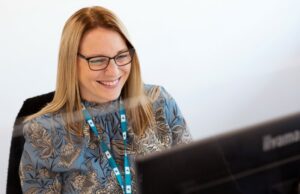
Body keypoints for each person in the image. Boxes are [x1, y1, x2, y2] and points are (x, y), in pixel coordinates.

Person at [19, 6, 192, 194]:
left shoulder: (159, 101)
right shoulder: (43, 132)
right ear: (71, 62)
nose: (114, 71)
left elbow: (194, 178)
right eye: (98, 60)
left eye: (121, 56)